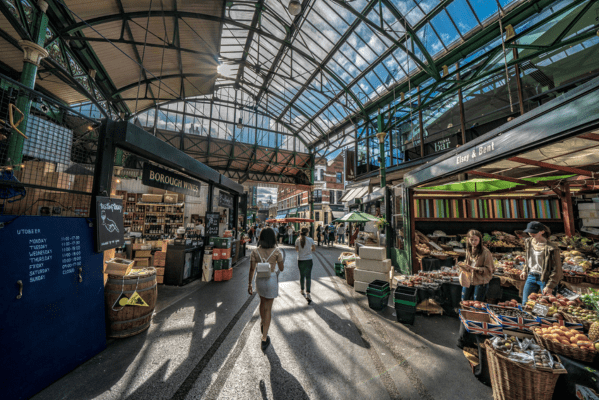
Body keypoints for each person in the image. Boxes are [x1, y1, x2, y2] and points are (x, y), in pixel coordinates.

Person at [248, 228, 284, 352]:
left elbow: (252, 269)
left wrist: (249, 284)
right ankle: (264, 338)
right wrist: (277, 261)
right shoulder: (277, 251)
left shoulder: (255, 251)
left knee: (262, 302)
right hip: (271, 279)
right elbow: (282, 268)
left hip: (259, 280)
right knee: (268, 307)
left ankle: (262, 323)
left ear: (261, 238)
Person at [520, 221, 563, 304]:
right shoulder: (528, 242)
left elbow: (557, 269)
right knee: (525, 303)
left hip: (546, 278)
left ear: (542, 231)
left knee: (545, 306)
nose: (531, 234)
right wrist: (525, 270)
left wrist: (550, 286)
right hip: (531, 276)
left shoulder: (552, 247)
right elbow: (528, 258)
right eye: (530, 232)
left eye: (534, 232)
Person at [459, 230, 494, 302]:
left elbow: (489, 269)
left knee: (477, 303)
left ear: (480, 240)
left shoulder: (485, 252)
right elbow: (468, 263)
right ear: (468, 239)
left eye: (476, 240)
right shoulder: (469, 250)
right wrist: (462, 265)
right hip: (469, 278)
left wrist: (475, 268)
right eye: (471, 240)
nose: (473, 242)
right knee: (464, 300)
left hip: (481, 280)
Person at [295, 227, 316, 304]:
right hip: (308, 260)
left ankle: (302, 290)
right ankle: (308, 293)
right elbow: (314, 249)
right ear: (307, 232)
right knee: (308, 276)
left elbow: (296, 249)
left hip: (300, 260)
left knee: (302, 275)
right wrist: (308, 250)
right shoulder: (310, 240)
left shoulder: (298, 240)